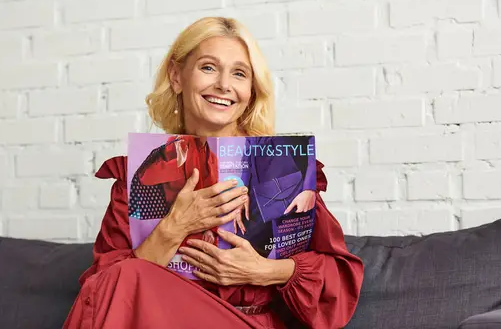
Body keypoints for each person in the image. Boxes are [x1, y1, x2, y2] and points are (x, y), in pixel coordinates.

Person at [63, 17, 364, 329]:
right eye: (208, 67)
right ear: (177, 76)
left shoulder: (284, 164)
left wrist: (262, 270)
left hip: (248, 324)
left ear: (251, 90)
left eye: (239, 73)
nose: (224, 84)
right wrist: (174, 227)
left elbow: (339, 280)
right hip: (167, 319)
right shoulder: (141, 174)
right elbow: (102, 293)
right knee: (123, 276)